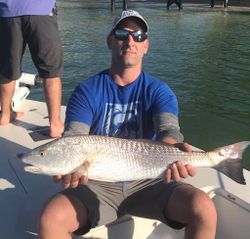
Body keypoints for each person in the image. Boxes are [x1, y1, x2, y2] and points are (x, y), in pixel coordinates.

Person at [38, 10, 217, 239]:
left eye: (139, 36)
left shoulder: (159, 91)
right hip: (97, 183)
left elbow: (169, 131)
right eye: (122, 34)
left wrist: (174, 153)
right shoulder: (87, 90)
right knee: (50, 219)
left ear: (146, 46)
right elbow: (75, 137)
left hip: (150, 180)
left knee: (203, 208)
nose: (130, 41)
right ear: (110, 41)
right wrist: (69, 167)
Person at [0, 0, 64, 137]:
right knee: (51, 73)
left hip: (8, 12)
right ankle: (55, 124)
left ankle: (5, 114)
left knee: (7, 70)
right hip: (41, 10)